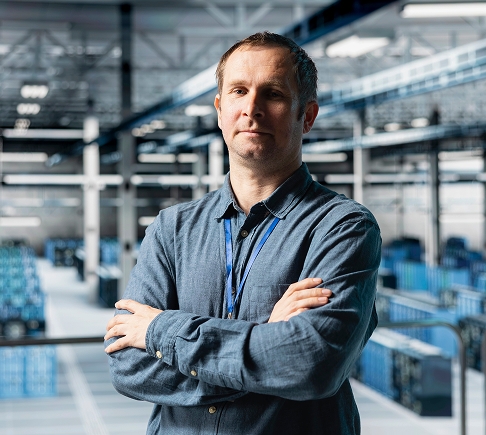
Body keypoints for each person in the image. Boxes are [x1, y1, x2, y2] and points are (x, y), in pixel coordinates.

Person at [105, 31, 381, 435]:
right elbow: (128, 366)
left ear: (307, 116)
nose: (252, 108)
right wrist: (267, 338)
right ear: (220, 110)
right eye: (238, 91)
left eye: (273, 94)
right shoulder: (172, 229)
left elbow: (311, 365)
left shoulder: (342, 227)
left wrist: (160, 332)